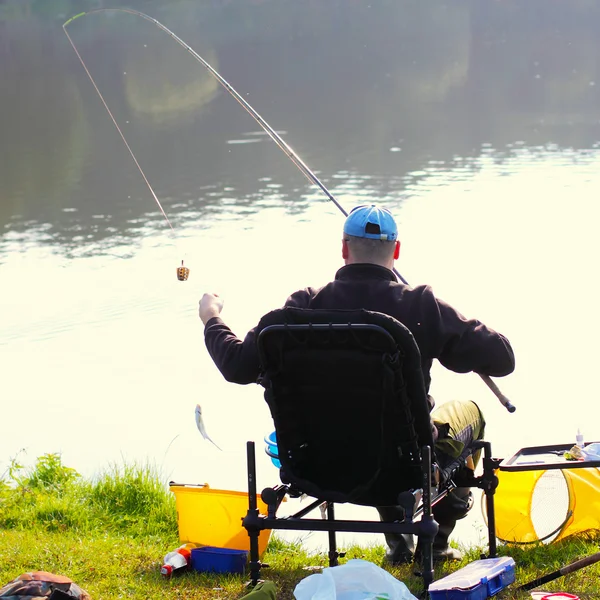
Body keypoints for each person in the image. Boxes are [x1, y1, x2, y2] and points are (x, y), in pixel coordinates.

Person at [199, 204, 515, 564]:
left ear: (344, 248)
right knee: (468, 413)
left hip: (312, 463)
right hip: (404, 467)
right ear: (396, 252)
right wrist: (436, 319)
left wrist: (212, 317)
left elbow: (237, 365)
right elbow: (502, 359)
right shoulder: (421, 305)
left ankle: (399, 543)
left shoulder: (302, 305)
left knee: (380, 427)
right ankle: (437, 542)